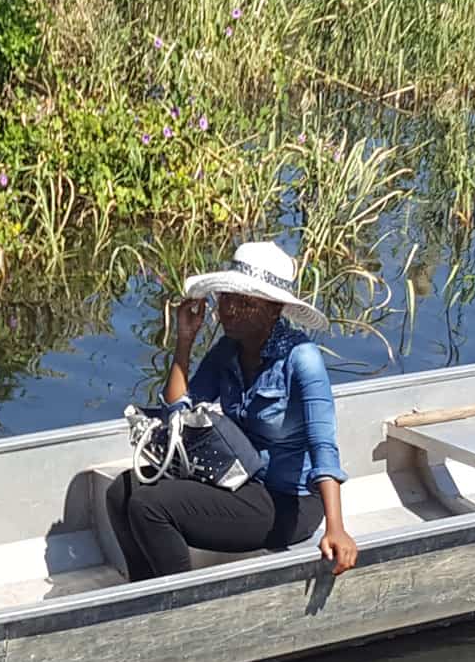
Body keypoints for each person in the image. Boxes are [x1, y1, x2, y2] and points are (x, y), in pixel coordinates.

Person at [105, 240, 359, 581]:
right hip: (237, 479)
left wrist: (336, 528)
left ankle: (181, 604)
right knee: (121, 493)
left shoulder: (302, 359)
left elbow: (323, 446)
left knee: (151, 506)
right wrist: (185, 340)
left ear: (273, 309)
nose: (228, 309)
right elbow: (177, 411)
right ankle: (141, 593)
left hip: (288, 502)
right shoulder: (228, 350)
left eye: (243, 302)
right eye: (226, 297)